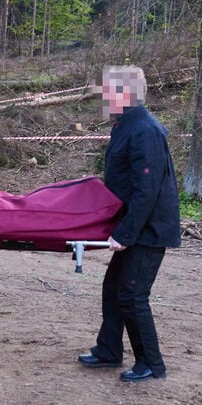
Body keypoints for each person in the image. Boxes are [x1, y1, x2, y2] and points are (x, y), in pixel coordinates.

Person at [78, 66, 181, 382]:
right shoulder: (126, 126)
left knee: (132, 295)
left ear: (125, 95)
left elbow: (146, 189)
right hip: (134, 227)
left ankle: (151, 364)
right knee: (114, 288)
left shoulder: (145, 130)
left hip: (148, 231)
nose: (104, 99)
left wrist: (125, 233)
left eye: (108, 93)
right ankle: (109, 350)